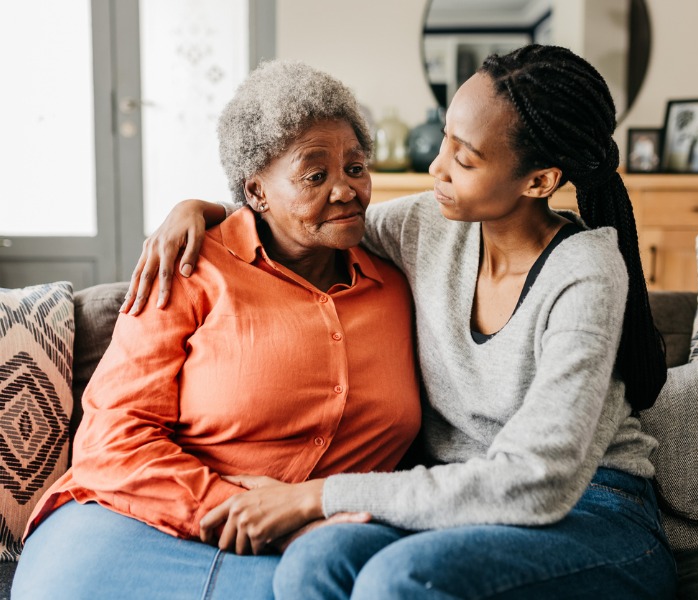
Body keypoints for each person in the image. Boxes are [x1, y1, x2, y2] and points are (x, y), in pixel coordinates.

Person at [122, 44, 677, 599]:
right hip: (457, 510)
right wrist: (202, 210)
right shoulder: (429, 225)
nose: (437, 168)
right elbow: (310, 218)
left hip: (593, 510)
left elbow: (538, 482)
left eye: (465, 159)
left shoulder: (586, 271)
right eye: (445, 141)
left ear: (539, 181)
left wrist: (317, 496)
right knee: (314, 560)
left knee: (400, 581)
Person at [11, 60, 421, 600]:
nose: (346, 190)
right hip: (137, 521)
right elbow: (113, 437)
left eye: (356, 168)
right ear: (256, 192)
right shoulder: (187, 266)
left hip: (318, 546)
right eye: (315, 175)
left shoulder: (400, 278)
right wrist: (237, 505)